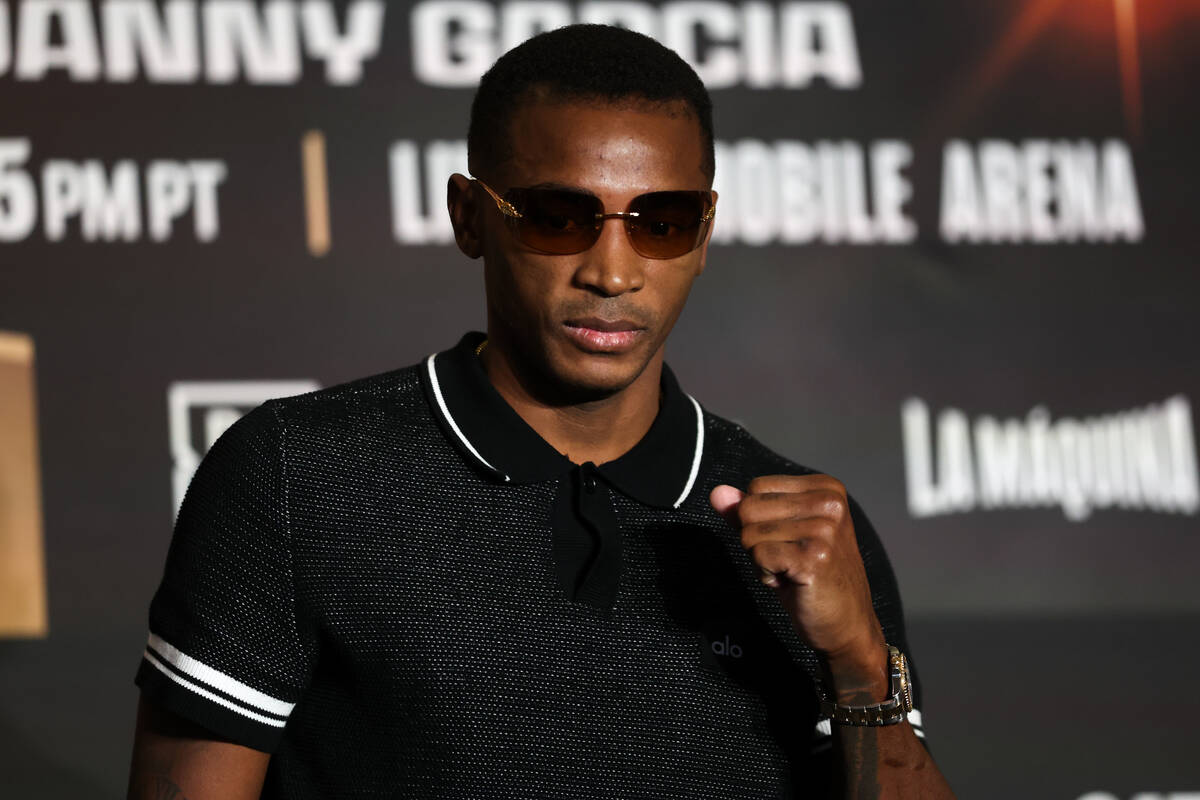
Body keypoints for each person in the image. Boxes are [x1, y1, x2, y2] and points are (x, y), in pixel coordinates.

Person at [126, 24, 954, 799]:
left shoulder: (804, 525)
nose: (613, 271)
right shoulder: (295, 476)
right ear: (469, 217)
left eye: (661, 222)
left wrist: (858, 662)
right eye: (561, 217)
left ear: (703, 236)